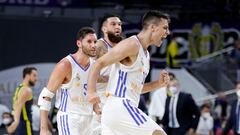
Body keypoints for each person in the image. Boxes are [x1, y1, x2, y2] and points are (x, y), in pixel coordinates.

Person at [87, 10, 170, 135]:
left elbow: (135, 89)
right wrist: (91, 91)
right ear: (153, 27)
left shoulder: (145, 54)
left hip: (115, 112)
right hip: (120, 106)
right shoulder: (132, 44)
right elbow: (98, 64)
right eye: (165, 28)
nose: (167, 33)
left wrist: (158, 84)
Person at [38, 27, 98, 135]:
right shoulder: (65, 64)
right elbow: (46, 96)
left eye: (95, 42)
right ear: (79, 43)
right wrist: (43, 128)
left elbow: (88, 91)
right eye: (89, 41)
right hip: (70, 117)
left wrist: (96, 107)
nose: (93, 45)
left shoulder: (94, 65)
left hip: (89, 118)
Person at [90, 14, 123, 135]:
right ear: (104, 29)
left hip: (114, 99)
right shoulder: (99, 46)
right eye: (113, 24)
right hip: (98, 99)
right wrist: (109, 79)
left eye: (119, 24)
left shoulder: (123, 47)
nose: (117, 27)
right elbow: (86, 73)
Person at [7, 67, 38, 135]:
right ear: (27, 75)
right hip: (24, 126)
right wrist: (16, 122)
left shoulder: (19, 88)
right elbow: (18, 105)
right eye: (34, 75)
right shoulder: (26, 90)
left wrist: (14, 122)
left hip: (19, 126)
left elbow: (15, 106)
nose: (36, 79)